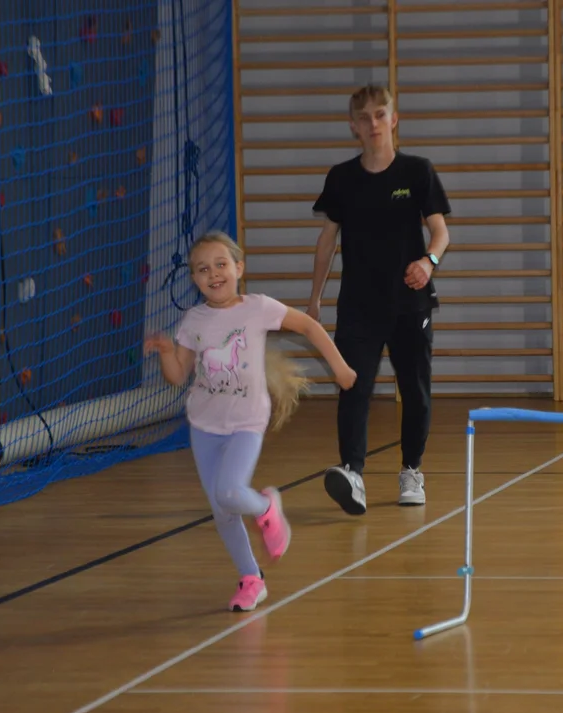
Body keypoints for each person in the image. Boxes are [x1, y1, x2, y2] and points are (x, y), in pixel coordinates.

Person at [145, 230, 357, 611]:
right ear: (194, 278)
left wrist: (340, 367)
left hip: (246, 422)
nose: (214, 274)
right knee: (222, 510)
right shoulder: (193, 320)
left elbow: (307, 326)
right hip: (205, 426)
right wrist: (164, 351)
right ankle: (251, 578)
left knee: (230, 491)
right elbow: (178, 376)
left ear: (239, 268)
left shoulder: (258, 308)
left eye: (221, 265)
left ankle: (266, 506)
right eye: (203, 269)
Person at [307, 83, 451, 515]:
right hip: (357, 306)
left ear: (394, 118)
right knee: (352, 387)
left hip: (411, 305)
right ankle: (352, 472)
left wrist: (428, 261)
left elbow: (440, 233)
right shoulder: (341, 178)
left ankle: (412, 469)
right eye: (364, 117)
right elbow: (327, 240)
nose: (373, 123)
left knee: (416, 391)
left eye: (380, 114)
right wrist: (313, 299)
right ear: (353, 125)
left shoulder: (418, 171)